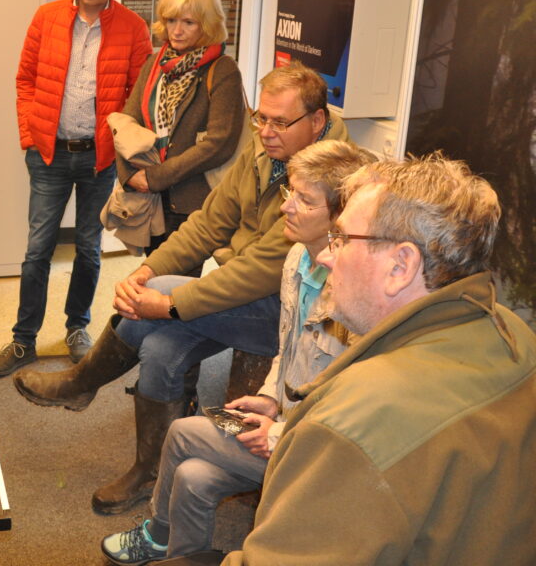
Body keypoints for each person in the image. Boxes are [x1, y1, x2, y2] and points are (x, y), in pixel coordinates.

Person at [14, 61, 349, 515]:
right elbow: (209, 223)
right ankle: (148, 471)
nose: (267, 131)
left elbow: (262, 270)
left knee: (165, 304)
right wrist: (146, 273)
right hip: (236, 295)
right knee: (160, 349)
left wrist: (170, 302)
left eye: (279, 122)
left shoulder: (330, 179)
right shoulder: (263, 153)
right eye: (261, 118)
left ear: (316, 122)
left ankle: (82, 381)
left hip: (284, 308)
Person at [205, 154, 536, 565]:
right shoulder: (510, 332)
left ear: (400, 266)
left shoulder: (353, 424)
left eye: (341, 239)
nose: (326, 256)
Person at [99, 139, 375, 564]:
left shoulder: (357, 298)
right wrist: (268, 398)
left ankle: (157, 533)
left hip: (315, 452)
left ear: (341, 216)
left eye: (303, 199)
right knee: (192, 477)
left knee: (183, 432)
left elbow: (354, 412)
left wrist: (278, 433)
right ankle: (180, 555)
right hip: (286, 423)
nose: (286, 207)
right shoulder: (298, 260)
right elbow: (287, 352)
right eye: (289, 193)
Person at [0, 0, 151, 377]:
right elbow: (24, 78)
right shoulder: (47, 17)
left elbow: (139, 98)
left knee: (88, 249)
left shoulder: (134, 28)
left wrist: (122, 152)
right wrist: (29, 134)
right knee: (37, 249)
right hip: (48, 154)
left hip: (98, 159)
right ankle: (24, 341)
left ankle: (78, 328)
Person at [115, 0, 247, 252]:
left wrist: (156, 177)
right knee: (152, 272)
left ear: (207, 24)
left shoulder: (223, 69)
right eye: (172, 20)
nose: (177, 31)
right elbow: (126, 123)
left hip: (192, 200)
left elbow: (219, 143)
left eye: (188, 22)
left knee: (177, 286)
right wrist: (129, 175)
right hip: (151, 198)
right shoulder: (155, 63)